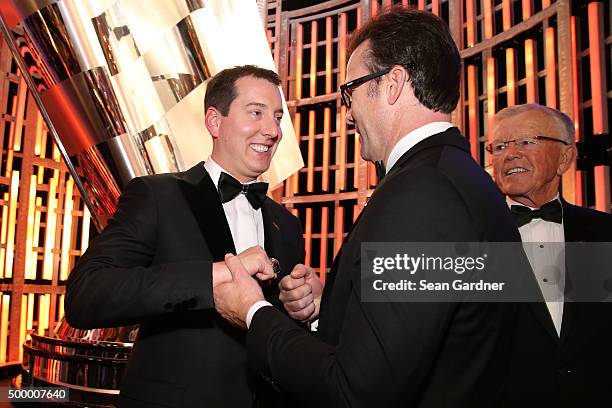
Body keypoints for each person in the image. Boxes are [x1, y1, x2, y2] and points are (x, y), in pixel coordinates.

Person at [212, 8, 528, 407]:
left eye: (351, 91)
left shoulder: (421, 196)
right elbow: (423, 337)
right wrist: (334, 310)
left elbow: (355, 392)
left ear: (393, 83)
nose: (347, 114)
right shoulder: (463, 180)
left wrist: (253, 311)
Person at [65, 65, 304, 407]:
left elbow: (276, 327)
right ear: (214, 122)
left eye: (278, 117)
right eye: (256, 113)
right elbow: (85, 296)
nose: (272, 130)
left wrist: (304, 308)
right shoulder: (157, 196)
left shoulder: (287, 223)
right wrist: (216, 274)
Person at [489, 103, 612, 407]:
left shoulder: (604, 233)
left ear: (565, 158)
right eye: (500, 146)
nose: (510, 153)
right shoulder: (474, 238)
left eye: (526, 141)